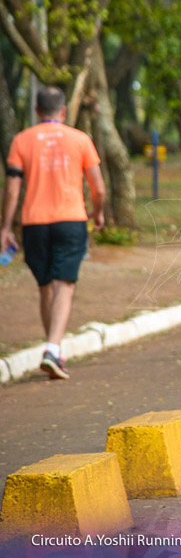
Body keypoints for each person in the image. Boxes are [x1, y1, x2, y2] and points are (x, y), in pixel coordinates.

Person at [2, 86, 106, 380]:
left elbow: (12, 189)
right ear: (63, 111)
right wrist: (98, 213)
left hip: (33, 223)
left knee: (46, 285)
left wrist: (6, 227)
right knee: (65, 284)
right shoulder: (80, 139)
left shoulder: (21, 141)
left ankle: (54, 351)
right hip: (71, 220)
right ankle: (52, 348)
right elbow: (98, 186)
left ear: (37, 111)